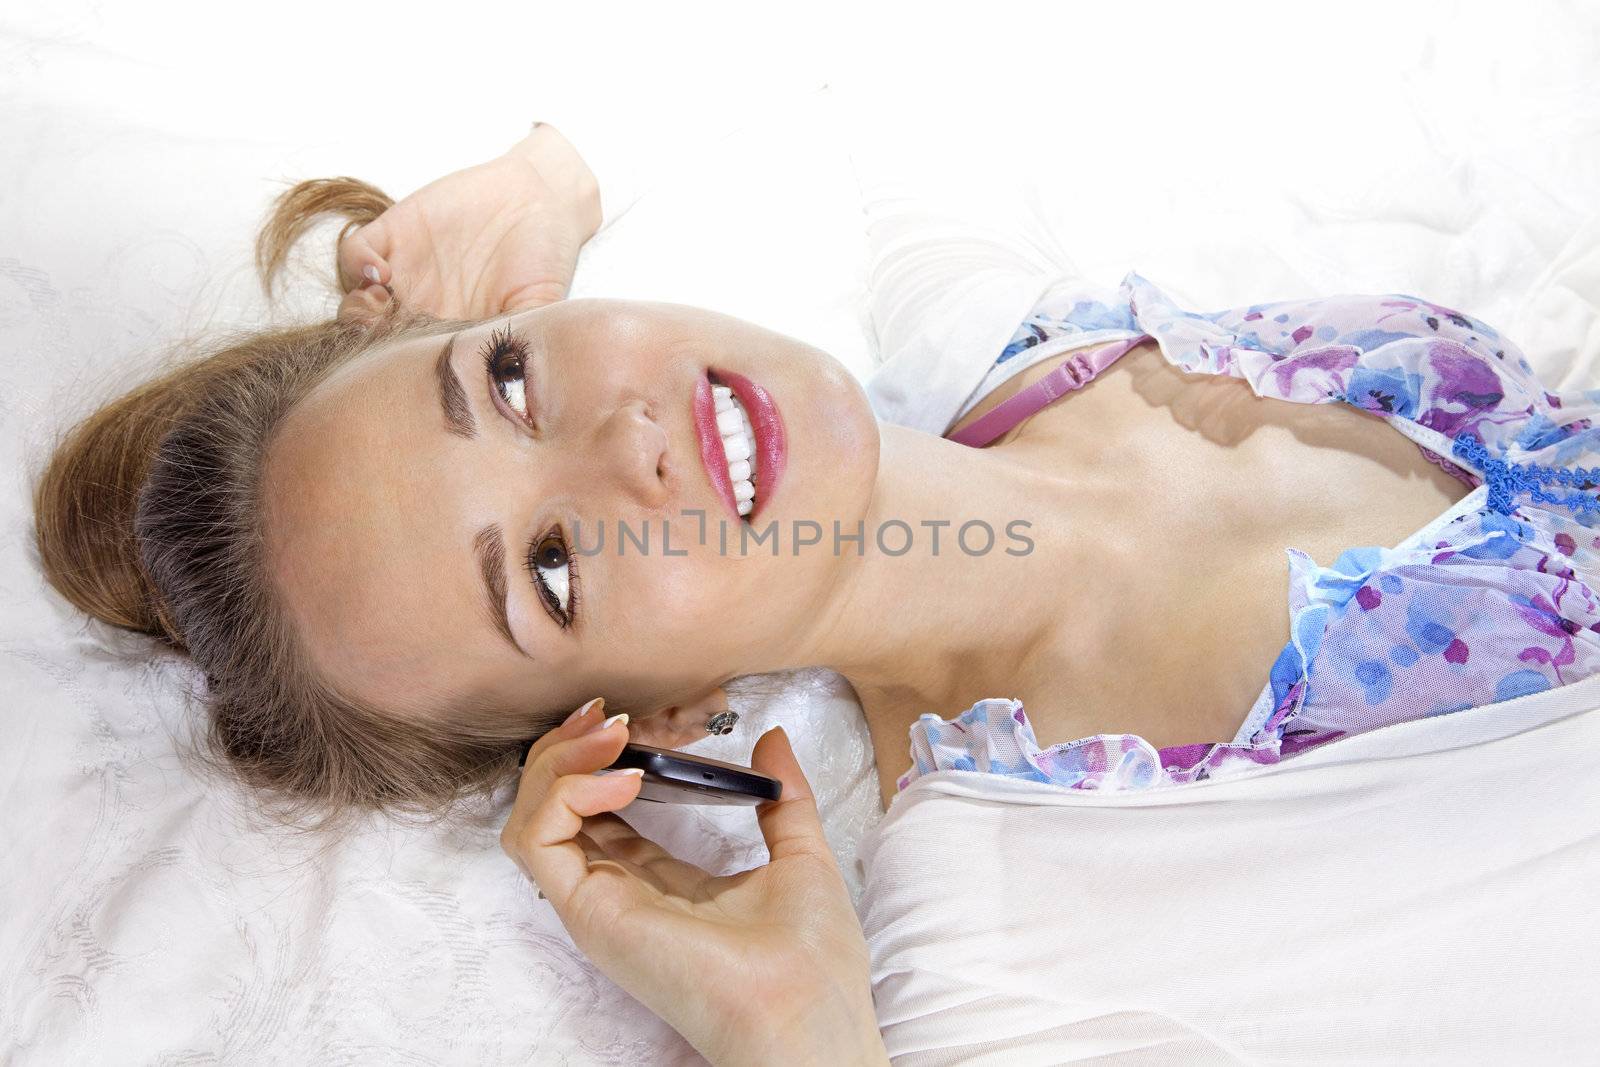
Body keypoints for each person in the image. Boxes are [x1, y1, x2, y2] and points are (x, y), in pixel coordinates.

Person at [31, 122, 1600, 1064]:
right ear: (634, 722)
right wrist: (795, 1036)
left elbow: (838, 79)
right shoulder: (1013, 911)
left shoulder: (1035, 330)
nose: (627, 442)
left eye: (508, 383)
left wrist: (549, 176)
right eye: (554, 569)